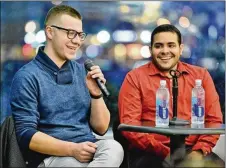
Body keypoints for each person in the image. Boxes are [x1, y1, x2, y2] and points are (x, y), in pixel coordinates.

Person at [10, 5, 123, 167]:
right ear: (50, 32)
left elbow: (101, 128)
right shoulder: (27, 76)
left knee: (115, 148)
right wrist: (72, 149)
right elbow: (26, 135)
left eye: (80, 35)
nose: (77, 41)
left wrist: (96, 94)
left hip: (87, 147)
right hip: (50, 156)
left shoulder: (82, 71)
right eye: (70, 33)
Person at [118, 24, 224, 168]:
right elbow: (130, 126)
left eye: (171, 45)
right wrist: (165, 153)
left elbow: (214, 120)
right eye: (159, 46)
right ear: (150, 50)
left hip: (193, 149)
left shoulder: (201, 76)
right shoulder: (134, 78)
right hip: (150, 151)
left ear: (180, 49)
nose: (165, 51)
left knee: (216, 164)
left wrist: (198, 152)